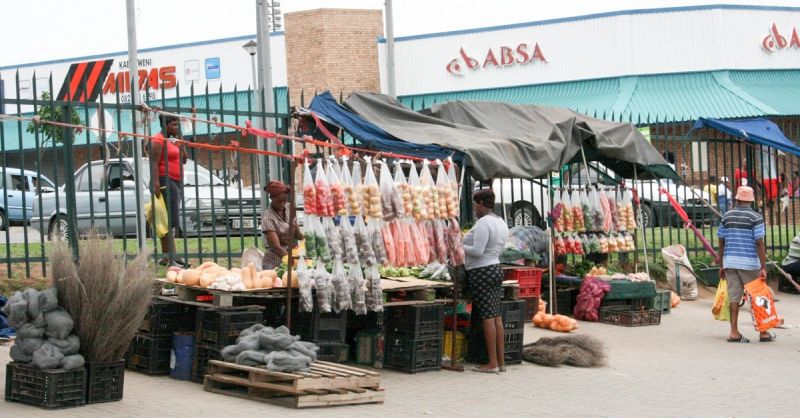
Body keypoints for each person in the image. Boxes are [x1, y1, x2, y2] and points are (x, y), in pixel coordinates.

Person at [718, 186, 775, 343]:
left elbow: (721, 241)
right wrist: (763, 266)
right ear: (751, 200)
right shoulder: (755, 217)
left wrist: (721, 264)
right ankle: (763, 332)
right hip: (749, 263)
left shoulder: (726, 216)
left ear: (737, 199)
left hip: (730, 262)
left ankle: (734, 332)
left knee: (734, 297)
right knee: (757, 296)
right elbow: (759, 242)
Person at [462, 189, 509, 373]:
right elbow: (498, 249)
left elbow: (477, 250)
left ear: (481, 203)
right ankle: (501, 363)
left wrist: (459, 245)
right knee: (496, 317)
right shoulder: (501, 222)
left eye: (475, 204)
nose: (474, 208)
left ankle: (492, 364)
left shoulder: (483, 223)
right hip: (495, 269)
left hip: (482, 271)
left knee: (488, 319)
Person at [150, 114, 188, 268]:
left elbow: (184, 159)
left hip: (177, 181)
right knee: (170, 220)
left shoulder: (174, 140)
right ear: (165, 125)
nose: (176, 128)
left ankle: (169, 256)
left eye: (177, 125)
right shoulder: (158, 140)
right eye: (173, 125)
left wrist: (181, 142)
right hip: (165, 181)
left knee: (169, 220)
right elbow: (153, 163)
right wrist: (156, 184)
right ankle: (171, 257)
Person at [261, 180, 303, 270]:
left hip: (289, 260)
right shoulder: (268, 217)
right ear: (271, 198)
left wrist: (307, 240)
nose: (282, 204)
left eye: (284, 200)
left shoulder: (290, 208)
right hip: (273, 263)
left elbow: (299, 236)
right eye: (279, 201)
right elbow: (276, 247)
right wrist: (293, 262)